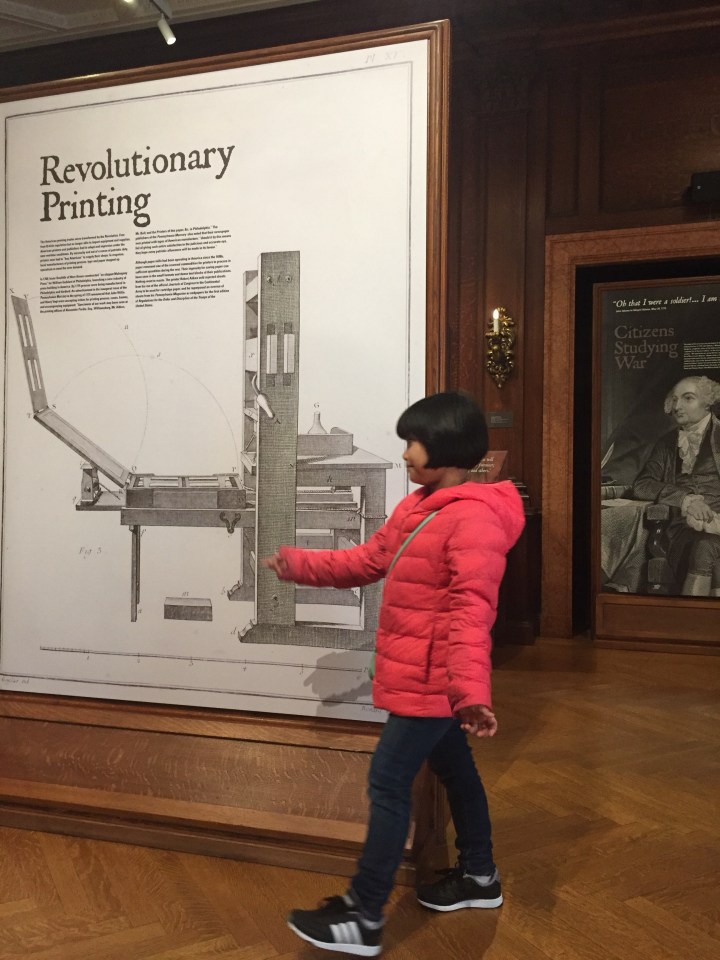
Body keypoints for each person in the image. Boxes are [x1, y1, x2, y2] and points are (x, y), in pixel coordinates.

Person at [262, 391, 525, 956]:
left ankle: (363, 916)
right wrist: (299, 564)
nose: (405, 453)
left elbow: (473, 611)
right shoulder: (417, 506)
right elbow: (368, 560)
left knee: (387, 782)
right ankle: (480, 877)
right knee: (455, 770)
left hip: (432, 681)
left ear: (447, 448)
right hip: (425, 676)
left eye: (415, 442)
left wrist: (470, 692)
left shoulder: (474, 519)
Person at [629, 375, 720, 595]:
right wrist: (685, 499)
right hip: (681, 531)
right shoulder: (667, 443)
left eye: (688, 398)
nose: (677, 406)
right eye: (675, 399)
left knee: (706, 546)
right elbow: (642, 484)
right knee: (704, 545)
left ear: (708, 402)